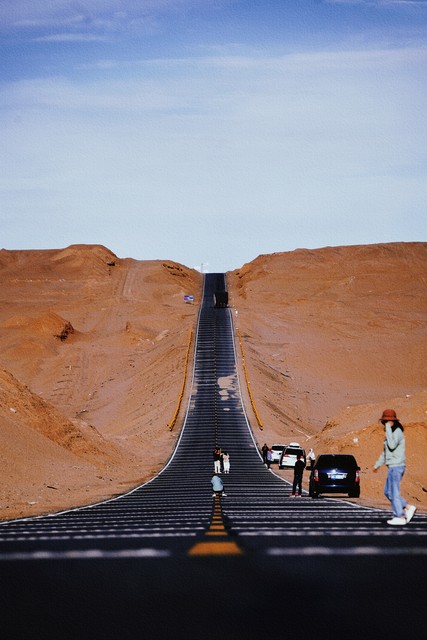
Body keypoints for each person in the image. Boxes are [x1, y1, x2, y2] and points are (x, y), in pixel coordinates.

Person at [373, 409, 416, 526]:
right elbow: (385, 452)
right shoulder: (391, 434)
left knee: (394, 492)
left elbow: (391, 446)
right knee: (388, 492)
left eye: (387, 421)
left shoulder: (397, 432)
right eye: (384, 422)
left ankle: (400, 516)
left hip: (397, 466)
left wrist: (387, 430)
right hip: (392, 467)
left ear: (392, 422)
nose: (385, 423)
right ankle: (407, 507)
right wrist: (377, 465)